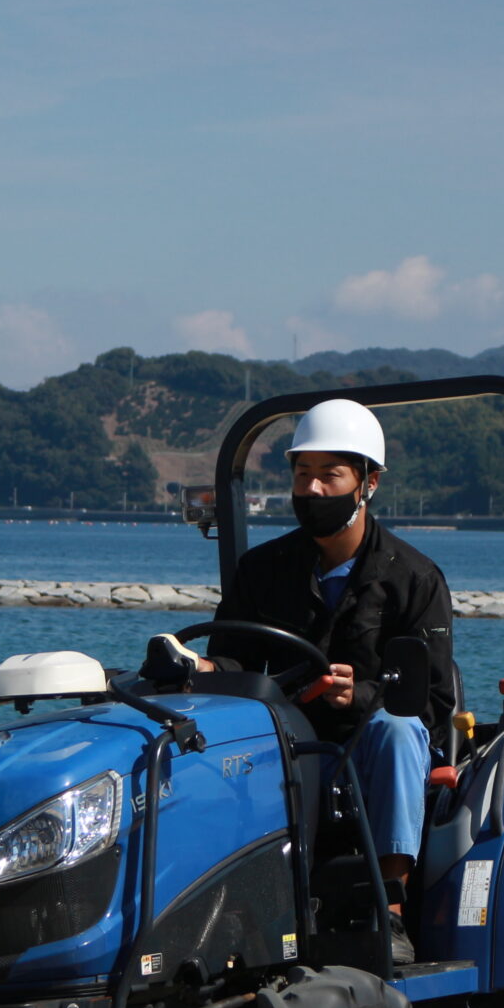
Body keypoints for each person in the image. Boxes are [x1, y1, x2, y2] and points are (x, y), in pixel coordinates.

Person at [155, 398, 457, 954]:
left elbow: (432, 703)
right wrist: (195, 667)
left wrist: (358, 694)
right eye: (303, 474)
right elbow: (235, 665)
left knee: (395, 729)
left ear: (368, 483)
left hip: (370, 744)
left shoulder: (415, 580)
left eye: (329, 476)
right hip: (291, 735)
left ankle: (386, 904)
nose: (313, 490)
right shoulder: (263, 570)